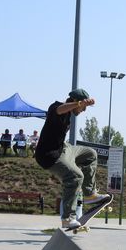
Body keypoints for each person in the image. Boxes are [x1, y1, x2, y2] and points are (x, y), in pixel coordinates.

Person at [35, 88, 109, 229]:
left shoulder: (69, 113)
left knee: (90, 154)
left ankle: (89, 194)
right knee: (75, 176)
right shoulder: (56, 107)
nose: (83, 111)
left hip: (64, 149)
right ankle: (68, 218)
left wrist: (81, 104)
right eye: (84, 107)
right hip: (48, 156)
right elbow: (61, 109)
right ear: (76, 102)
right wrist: (78, 104)